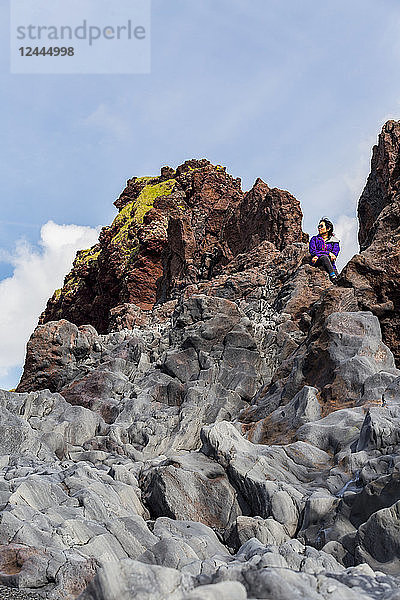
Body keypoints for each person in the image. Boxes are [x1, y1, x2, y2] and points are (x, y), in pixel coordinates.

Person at [309, 217, 340, 282]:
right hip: (317, 262)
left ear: (328, 229)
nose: (319, 228)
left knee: (339, 280)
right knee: (324, 257)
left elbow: (334, 255)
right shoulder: (314, 239)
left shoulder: (334, 241)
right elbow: (313, 251)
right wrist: (328, 253)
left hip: (331, 265)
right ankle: (332, 276)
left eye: (321, 226)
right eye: (318, 226)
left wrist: (318, 255)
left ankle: (333, 275)